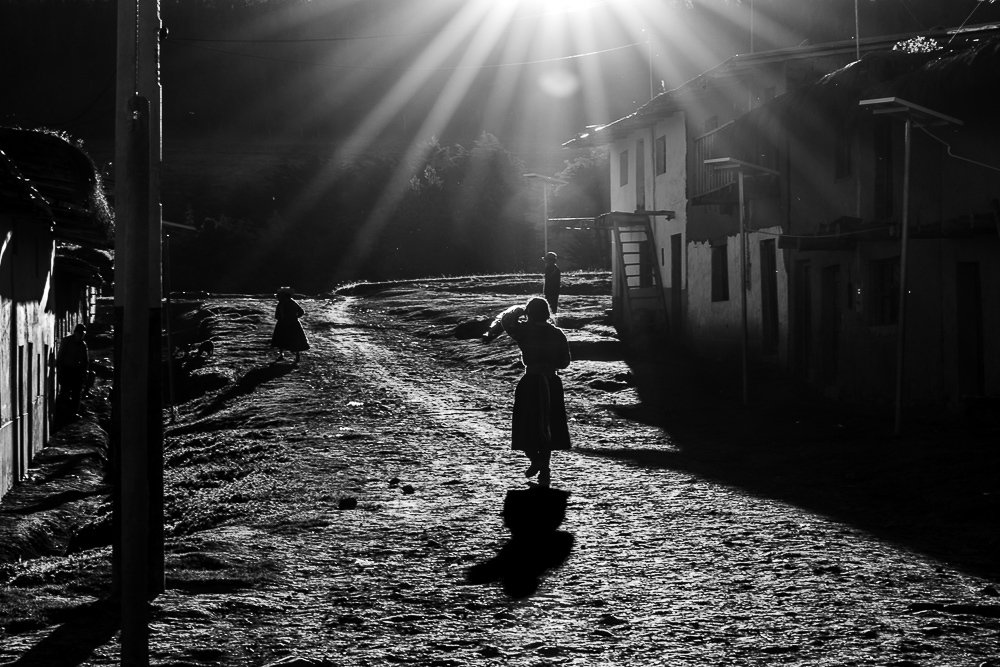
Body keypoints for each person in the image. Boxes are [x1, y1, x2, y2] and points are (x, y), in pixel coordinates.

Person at [499, 296, 571, 486]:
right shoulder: (557, 334)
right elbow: (565, 362)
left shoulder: (524, 331)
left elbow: (506, 320)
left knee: (526, 422)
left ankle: (535, 459)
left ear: (529, 313)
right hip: (552, 382)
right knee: (547, 425)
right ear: (547, 313)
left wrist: (520, 311)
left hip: (530, 381)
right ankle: (544, 466)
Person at [57, 323, 89, 418]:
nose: (81, 336)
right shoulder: (66, 341)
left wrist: (84, 372)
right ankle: (63, 413)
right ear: (75, 333)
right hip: (66, 370)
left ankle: (73, 413)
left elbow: (85, 360)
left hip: (77, 371)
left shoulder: (83, 345)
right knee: (65, 392)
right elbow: (60, 357)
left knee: (77, 393)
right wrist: (60, 371)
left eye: (83, 334)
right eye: (80, 334)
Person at [270, 287, 309, 363]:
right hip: (293, 323)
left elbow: (277, 315)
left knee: (281, 338)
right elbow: (301, 312)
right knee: (295, 339)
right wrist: (295, 318)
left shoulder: (281, 303)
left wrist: (282, 318)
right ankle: (295, 355)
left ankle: (282, 354)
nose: (278, 297)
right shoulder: (292, 302)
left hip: (283, 323)